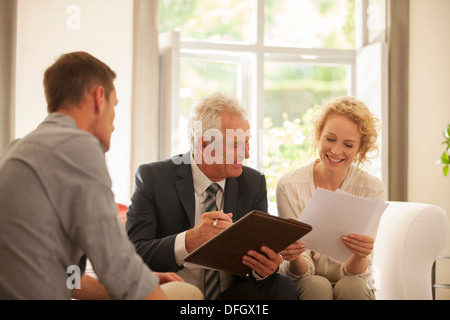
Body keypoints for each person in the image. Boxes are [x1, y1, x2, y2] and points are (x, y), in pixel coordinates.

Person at [0, 51, 202, 300]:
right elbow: (114, 261)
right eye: (114, 105)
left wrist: (144, 281)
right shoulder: (77, 147)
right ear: (98, 98)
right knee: (186, 294)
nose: (114, 121)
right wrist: (144, 288)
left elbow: (66, 276)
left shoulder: (18, 149)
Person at [126, 92, 298, 300]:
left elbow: (257, 258)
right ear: (204, 145)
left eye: (247, 142)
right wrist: (188, 241)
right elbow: (134, 252)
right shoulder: (153, 178)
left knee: (281, 286)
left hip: (231, 297)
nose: (247, 153)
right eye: (236, 145)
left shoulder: (253, 183)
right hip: (176, 293)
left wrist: (263, 268)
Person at [277, 96, 386, 300]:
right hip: (303, 279)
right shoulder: (289, 186)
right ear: (319, 135)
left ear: (360, 148)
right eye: (330, 139)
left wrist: (361, 254)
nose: (336, 151)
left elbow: (356, 273)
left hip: (353, 280)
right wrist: (294, 256)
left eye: (348, 144)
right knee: (317, 286)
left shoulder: (372, 189)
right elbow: (301, 270)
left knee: (352, 287)